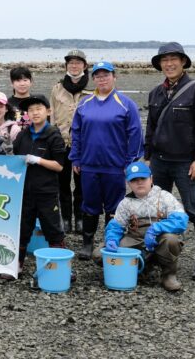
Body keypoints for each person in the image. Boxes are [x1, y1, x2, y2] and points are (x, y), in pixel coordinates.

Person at [145, 42, 195, 280]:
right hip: (159, 162)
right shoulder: (155, 92)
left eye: (174, 59)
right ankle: (157, 257)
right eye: (164, 60)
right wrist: (147, 157)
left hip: (187, 163)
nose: (169, 63)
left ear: (183, 62)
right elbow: (151, 128)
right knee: (157, 211)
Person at [69, 61, 143, 260]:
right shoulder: (84, 103)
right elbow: (75, 132)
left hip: (115, 166)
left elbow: (135, 134)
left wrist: (130, 162)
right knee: (89, 204)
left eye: (106, 75)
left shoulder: (126, 104)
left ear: (114, 77)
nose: (102, 79)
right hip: (89, 165)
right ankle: (87, 242)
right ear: (93, 79)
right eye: (98, 76)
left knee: (114, 206)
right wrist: (75, 157)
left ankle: (112, 240)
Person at [104, 162, 189, 291]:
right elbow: (116, 226)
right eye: (134, 180)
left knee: (171, 240)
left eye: (143, 178)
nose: (139, 183)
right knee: (100, 254)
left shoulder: (165, 197)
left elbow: (181, 221)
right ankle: (141, 268)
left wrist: (155, 229)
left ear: (151, 179)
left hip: (161, 238)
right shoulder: (125, 203)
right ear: (128, 183)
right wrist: (111, 239)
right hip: (136, 239)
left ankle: (168, 275)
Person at [10, 94, 67, 271]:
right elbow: (16, 157)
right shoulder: (22, 135)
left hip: (46, 191)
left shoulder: (54, 135)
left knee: (53, 228)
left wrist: (38, 160)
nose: (35, 113)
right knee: (22, 227)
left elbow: (59, 166)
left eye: (39, 109)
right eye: (31, 110)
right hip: (25, 190)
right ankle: (16, 265)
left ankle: (59, 265)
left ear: (48, 111)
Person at [50, 49, 92, 234]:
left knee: (82, 185)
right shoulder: (57, 88)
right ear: (66, 65)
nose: (74, 66)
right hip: (62, 143)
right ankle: (66, 219)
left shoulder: (93, 87)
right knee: (62, 184)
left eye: (78, 62)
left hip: (84, 145)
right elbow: (52, 116)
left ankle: (80, 219)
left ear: (84, 65)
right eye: (71, 62)